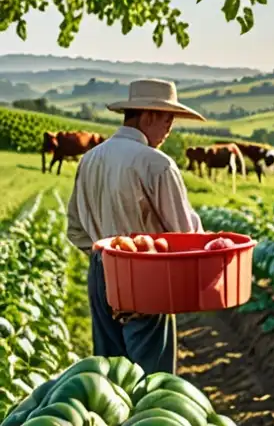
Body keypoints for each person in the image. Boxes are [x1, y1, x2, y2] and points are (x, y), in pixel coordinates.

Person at [67, 79, 206, 375]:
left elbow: (76, 230)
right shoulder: (157, 163)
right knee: (150, 381)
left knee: (110, 376)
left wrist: (108, 262)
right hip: (147, 275)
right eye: (167, 120)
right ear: (148, 115)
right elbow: (186, 237)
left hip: (99, 271)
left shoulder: (90, 158)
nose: (169, 130)